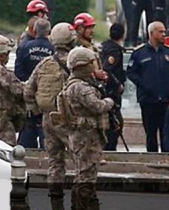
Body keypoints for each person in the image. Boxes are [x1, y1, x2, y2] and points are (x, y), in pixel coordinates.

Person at [23, 22, 76, 210]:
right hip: (70, 120)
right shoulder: (77, 62)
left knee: (55, 161)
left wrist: (38, 112)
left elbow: (28, 91)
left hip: (48, 119)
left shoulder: (44, 64)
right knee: (80, 159)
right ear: (71, 40)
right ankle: (82, 197)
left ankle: (55, 198)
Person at [61, 47, 114, 210]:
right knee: (86, 176)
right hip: (86, 137)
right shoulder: (80, 87)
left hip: (82, 136)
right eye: (92, 63)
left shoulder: (76, 83)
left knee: (83, 174)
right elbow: (96, 106)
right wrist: (109, 102)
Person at [126, 21, 169, 152]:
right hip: (148, 100)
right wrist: (144, 84)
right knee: (150, 132)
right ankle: (152, 158)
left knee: (166, 132)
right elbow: (131, 72)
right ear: (151, 33)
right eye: (161, 32)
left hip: (165, 99)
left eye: (164, 31)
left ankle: (167, 160)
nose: (164, 34)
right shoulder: (139, 53)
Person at [16, 18, 54, 149]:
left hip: (28, 101)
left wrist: (29, 85)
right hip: (48, 99)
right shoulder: (53, 49)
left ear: (34, 30)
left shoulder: (24, 47)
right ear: (49, 31)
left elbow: (18, 73)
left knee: (25, 143)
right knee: (48, 145)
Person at [100, 23, 127, 151]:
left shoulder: (105, 46)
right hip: (111, 92)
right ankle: (110, 149)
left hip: (106, 91)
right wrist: (118, 84)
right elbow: (107, 69)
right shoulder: (114, 51)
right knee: (115, 124)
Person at [73, 13, 109, 83]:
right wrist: (94, 74)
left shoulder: (91, 46)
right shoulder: (76, 48)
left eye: (92, 27)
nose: (92, 31)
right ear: (80, 29)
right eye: (89, 27)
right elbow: (76, 71)